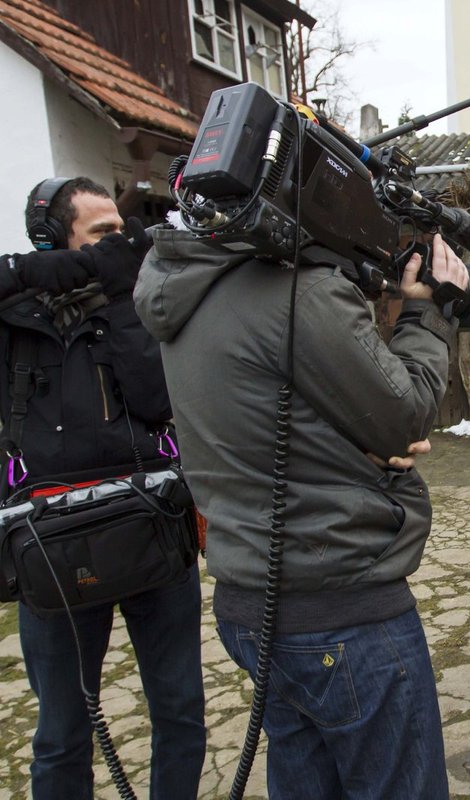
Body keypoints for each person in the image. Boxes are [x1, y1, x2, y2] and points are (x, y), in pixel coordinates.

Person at [135, 220, 470, 797]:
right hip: (341, 608)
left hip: (249, 605)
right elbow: (407, 414)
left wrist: (357, 444)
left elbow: (268, 414)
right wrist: (431, 310)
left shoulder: (187, 289)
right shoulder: (300, 291)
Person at [1, 177, 206, 798]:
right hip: (55, 547)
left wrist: (118, 294)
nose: (119, 246)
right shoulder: (15, 315)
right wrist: (50, 271)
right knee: (62, 733)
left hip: (153, 530)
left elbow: (153, 399)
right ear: (53, 239)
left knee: (179, 710)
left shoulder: (140, 302)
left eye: (122, 234)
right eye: (101, 235)